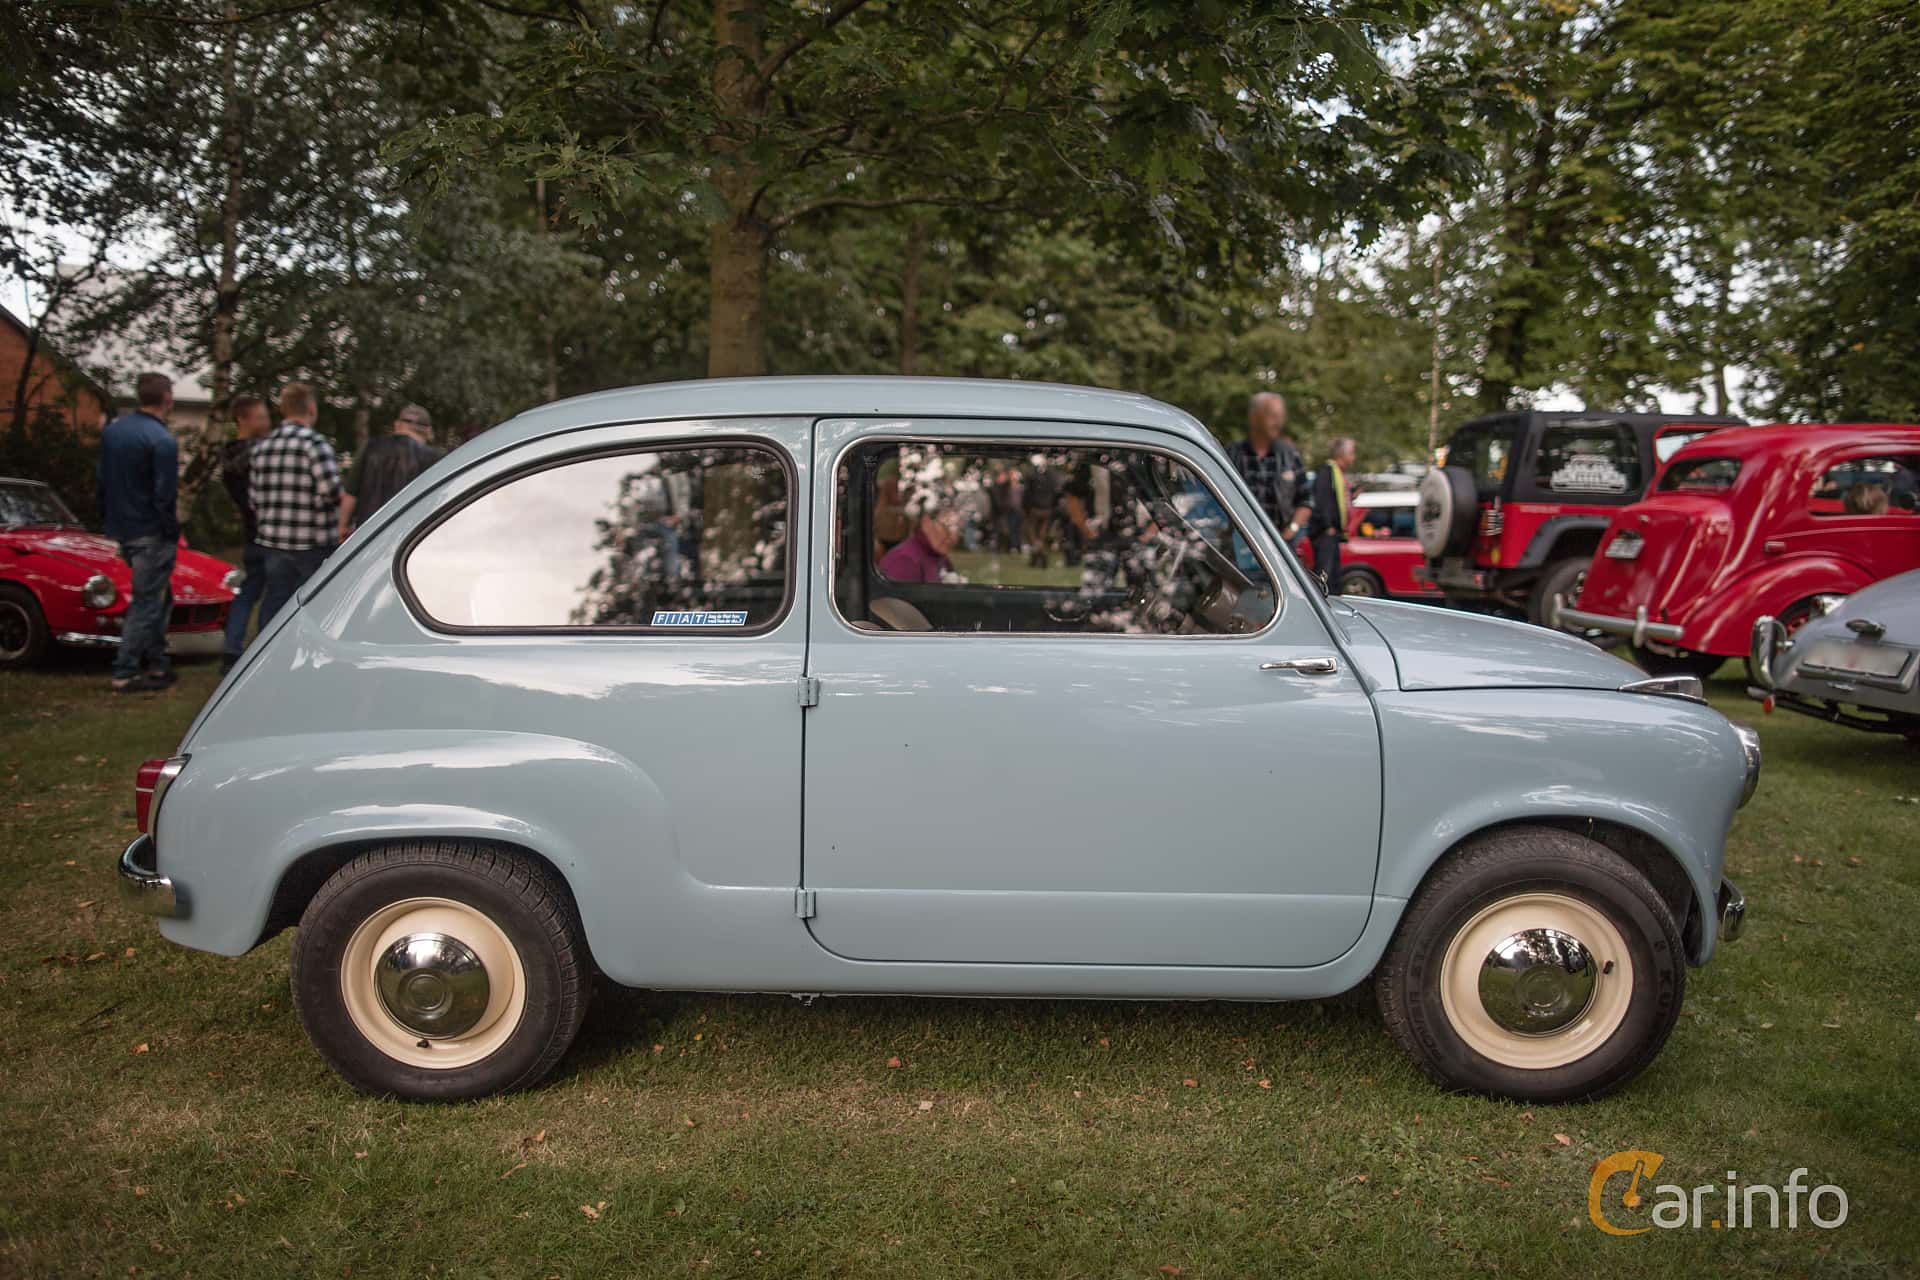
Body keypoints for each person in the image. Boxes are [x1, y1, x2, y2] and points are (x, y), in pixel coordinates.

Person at [96, 372, 180, 693]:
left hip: (123, 528)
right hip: (150, 531)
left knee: (161, 596)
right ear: (167, 398)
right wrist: (171, 531)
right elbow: (164, 495)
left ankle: (158, 662)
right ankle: (126, 669)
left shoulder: (114, 433)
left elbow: (102, 482)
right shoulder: (161, 441)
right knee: (147, 600)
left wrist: (108, 521)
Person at [251, 381, 341, 627]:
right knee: (313, 605)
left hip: (273, 541)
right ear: (311, 408)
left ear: (283, 409)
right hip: (311, 543)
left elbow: (254, 498)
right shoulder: (315, 444)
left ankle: (266, 654)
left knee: (275, 601)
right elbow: (332, 492)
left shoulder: (263, 447)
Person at [219, 394, 272, 672]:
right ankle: (263, 650)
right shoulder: (261, 453)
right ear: (243, 420)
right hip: (271, 532)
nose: (267, 422)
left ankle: (231, 649)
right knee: (275, 592)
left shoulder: (228, 455)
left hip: (250, 532)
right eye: (261, 417)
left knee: (249, 590)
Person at [338, 403, 443, 539]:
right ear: (428, 431)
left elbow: (350, 494)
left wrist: (342, 527)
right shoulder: (435, 458)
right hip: (408, 539)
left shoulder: (371, 448)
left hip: (366, 536)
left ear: (397, 425)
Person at [1227, 392, 1307, 543]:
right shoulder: (1233, 453)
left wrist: (1292, 529)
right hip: (1239, 546)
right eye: (1272, 416)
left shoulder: (1289, 455)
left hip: (1278, 548)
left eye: (1281, 417)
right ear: (1254, 417)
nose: (1278, 422)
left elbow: (1307, 500)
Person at [1304, 437, 1357, 589]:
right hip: (1325, 532)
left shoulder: (1337, 474)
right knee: (1325, 575)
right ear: (1342, 454)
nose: (1353, 458)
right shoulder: (1327, 472)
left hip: (1332, 532)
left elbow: (1335, 500)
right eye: (1352, 453)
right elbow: (1322, 499)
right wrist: (1328, 526)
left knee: (1333, 576)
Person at [878, 499, 960, 583]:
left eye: (957, 528)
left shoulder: (939, 555)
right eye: (946, 527)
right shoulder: (904, 561)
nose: (953, 537)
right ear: (926, 523)